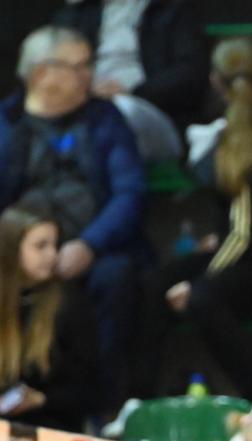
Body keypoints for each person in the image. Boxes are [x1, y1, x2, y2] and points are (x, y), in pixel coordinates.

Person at [132, 36, 252, 401]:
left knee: (202, 297)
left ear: (215, 81)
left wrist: (202, 278)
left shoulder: (249, 137)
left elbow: (246, 234)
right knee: (155, 284)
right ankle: (141, 402)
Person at [0, 26, 146, 406]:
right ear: (40, 74)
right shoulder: (6, 123)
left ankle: (107, 409)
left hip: (94, 250)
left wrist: (90, 244)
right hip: (20, 251)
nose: (89, 75)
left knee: (118, 278)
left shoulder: (106, 119)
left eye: (89, 65)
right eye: (77, 67)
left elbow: (129, 193)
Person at [54, 0, 208, 162]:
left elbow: (189, 74)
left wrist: (131, 92)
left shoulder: (171, 10)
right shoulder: (80, 13)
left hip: (150, 109)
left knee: (120, 111)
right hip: (88, 105)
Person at [0, 204, 99, 432]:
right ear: (11, 249)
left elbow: (91, 391)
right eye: (40, 246)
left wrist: (42, 400)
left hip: (52, 428)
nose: (52, 255)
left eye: (55, 245)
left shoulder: (70, 304)